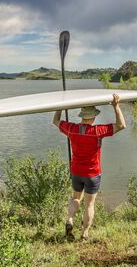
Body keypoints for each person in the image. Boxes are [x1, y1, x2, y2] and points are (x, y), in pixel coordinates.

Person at [52, 94, 126, 240]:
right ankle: (85, 233)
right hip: (92, 174)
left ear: (82, 116)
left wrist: (60, 107)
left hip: (76, 172)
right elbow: (121, 125)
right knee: (89, 205)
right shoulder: (97, 131)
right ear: (93, 116)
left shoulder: (71, 129)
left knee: (75, 198)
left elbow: (55, 121)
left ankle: (70, 219)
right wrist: (116, 106)